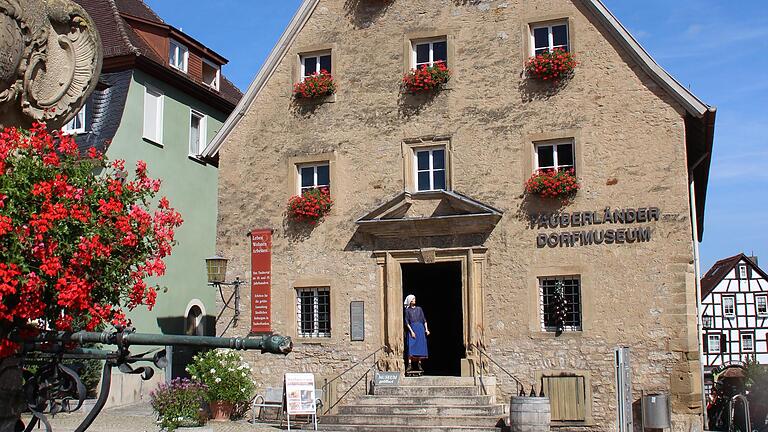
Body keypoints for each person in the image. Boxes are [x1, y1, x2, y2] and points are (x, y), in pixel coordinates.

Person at [404, 294, 430, 372]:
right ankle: (409, 365)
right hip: (412, 329)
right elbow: (407, 322)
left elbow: (424, 320)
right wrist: (411, 331)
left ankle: (419, 364)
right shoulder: (407, 310)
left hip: (420, 329)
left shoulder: (419, 309)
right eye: (413, 299)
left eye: (414, 298)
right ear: (410, 301)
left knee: (420, 346)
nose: (415, 300)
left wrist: (426, 329)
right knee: (411, 346)